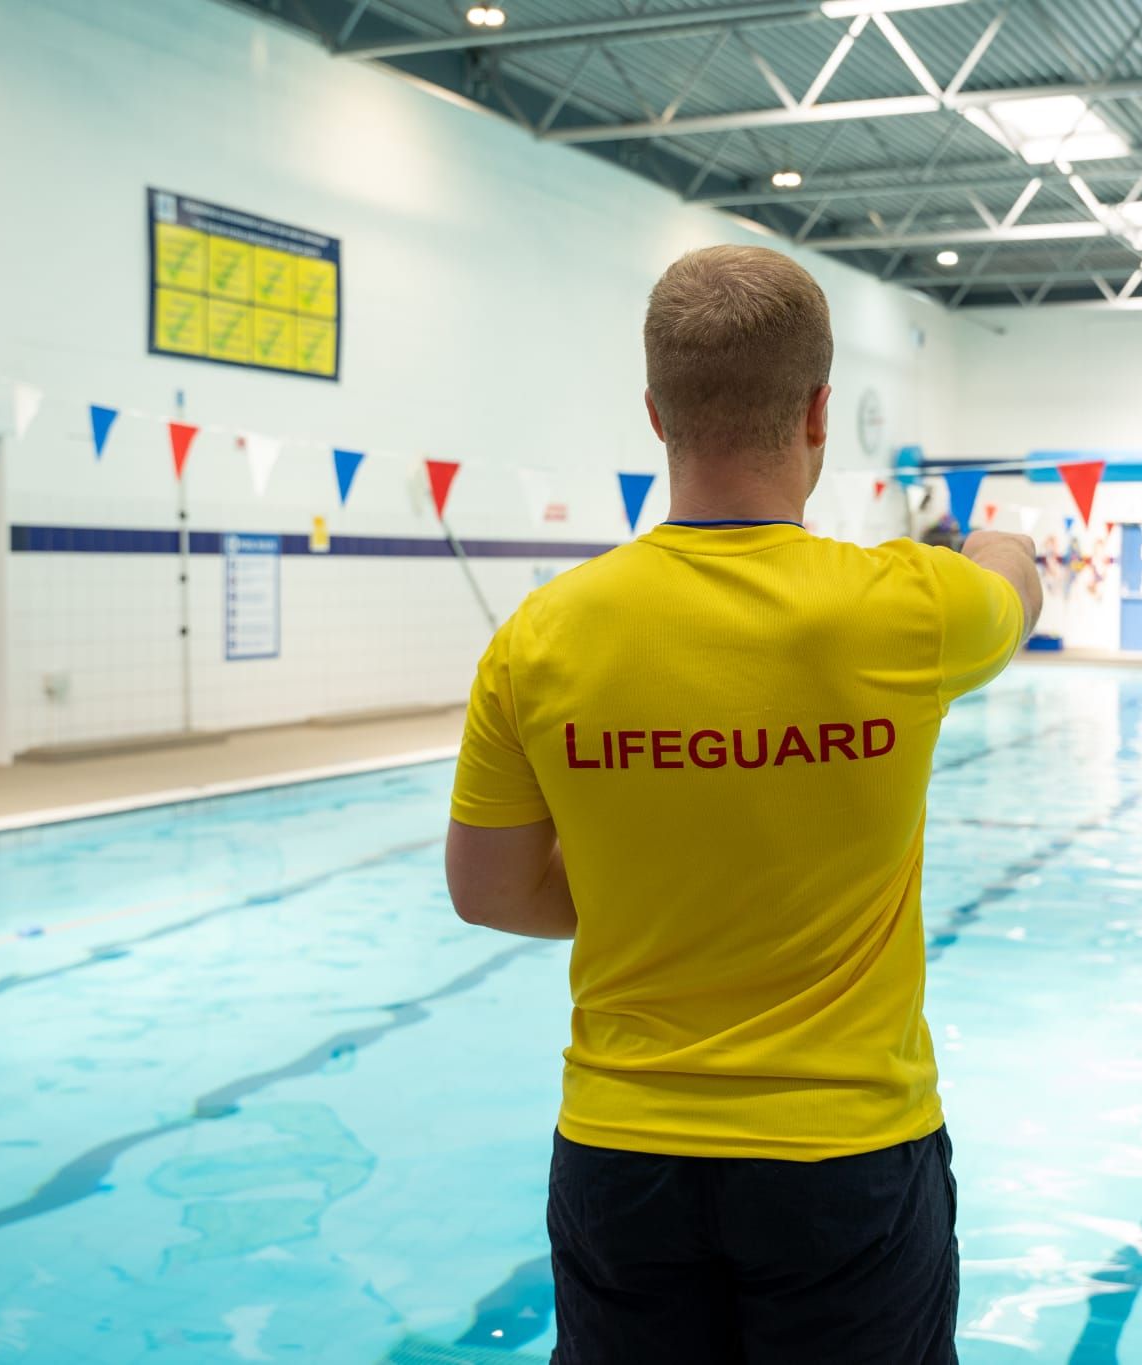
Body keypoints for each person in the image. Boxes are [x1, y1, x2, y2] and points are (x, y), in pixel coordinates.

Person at [444, 244, 1040, 1364]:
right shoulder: (911, 611)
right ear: (819, 412)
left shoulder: (540, 636)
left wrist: (658, 889)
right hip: (845, 1157)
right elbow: (1014, 578)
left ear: (656, 413)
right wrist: (989, 539)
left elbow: (489, 893)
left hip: (622, 1154)